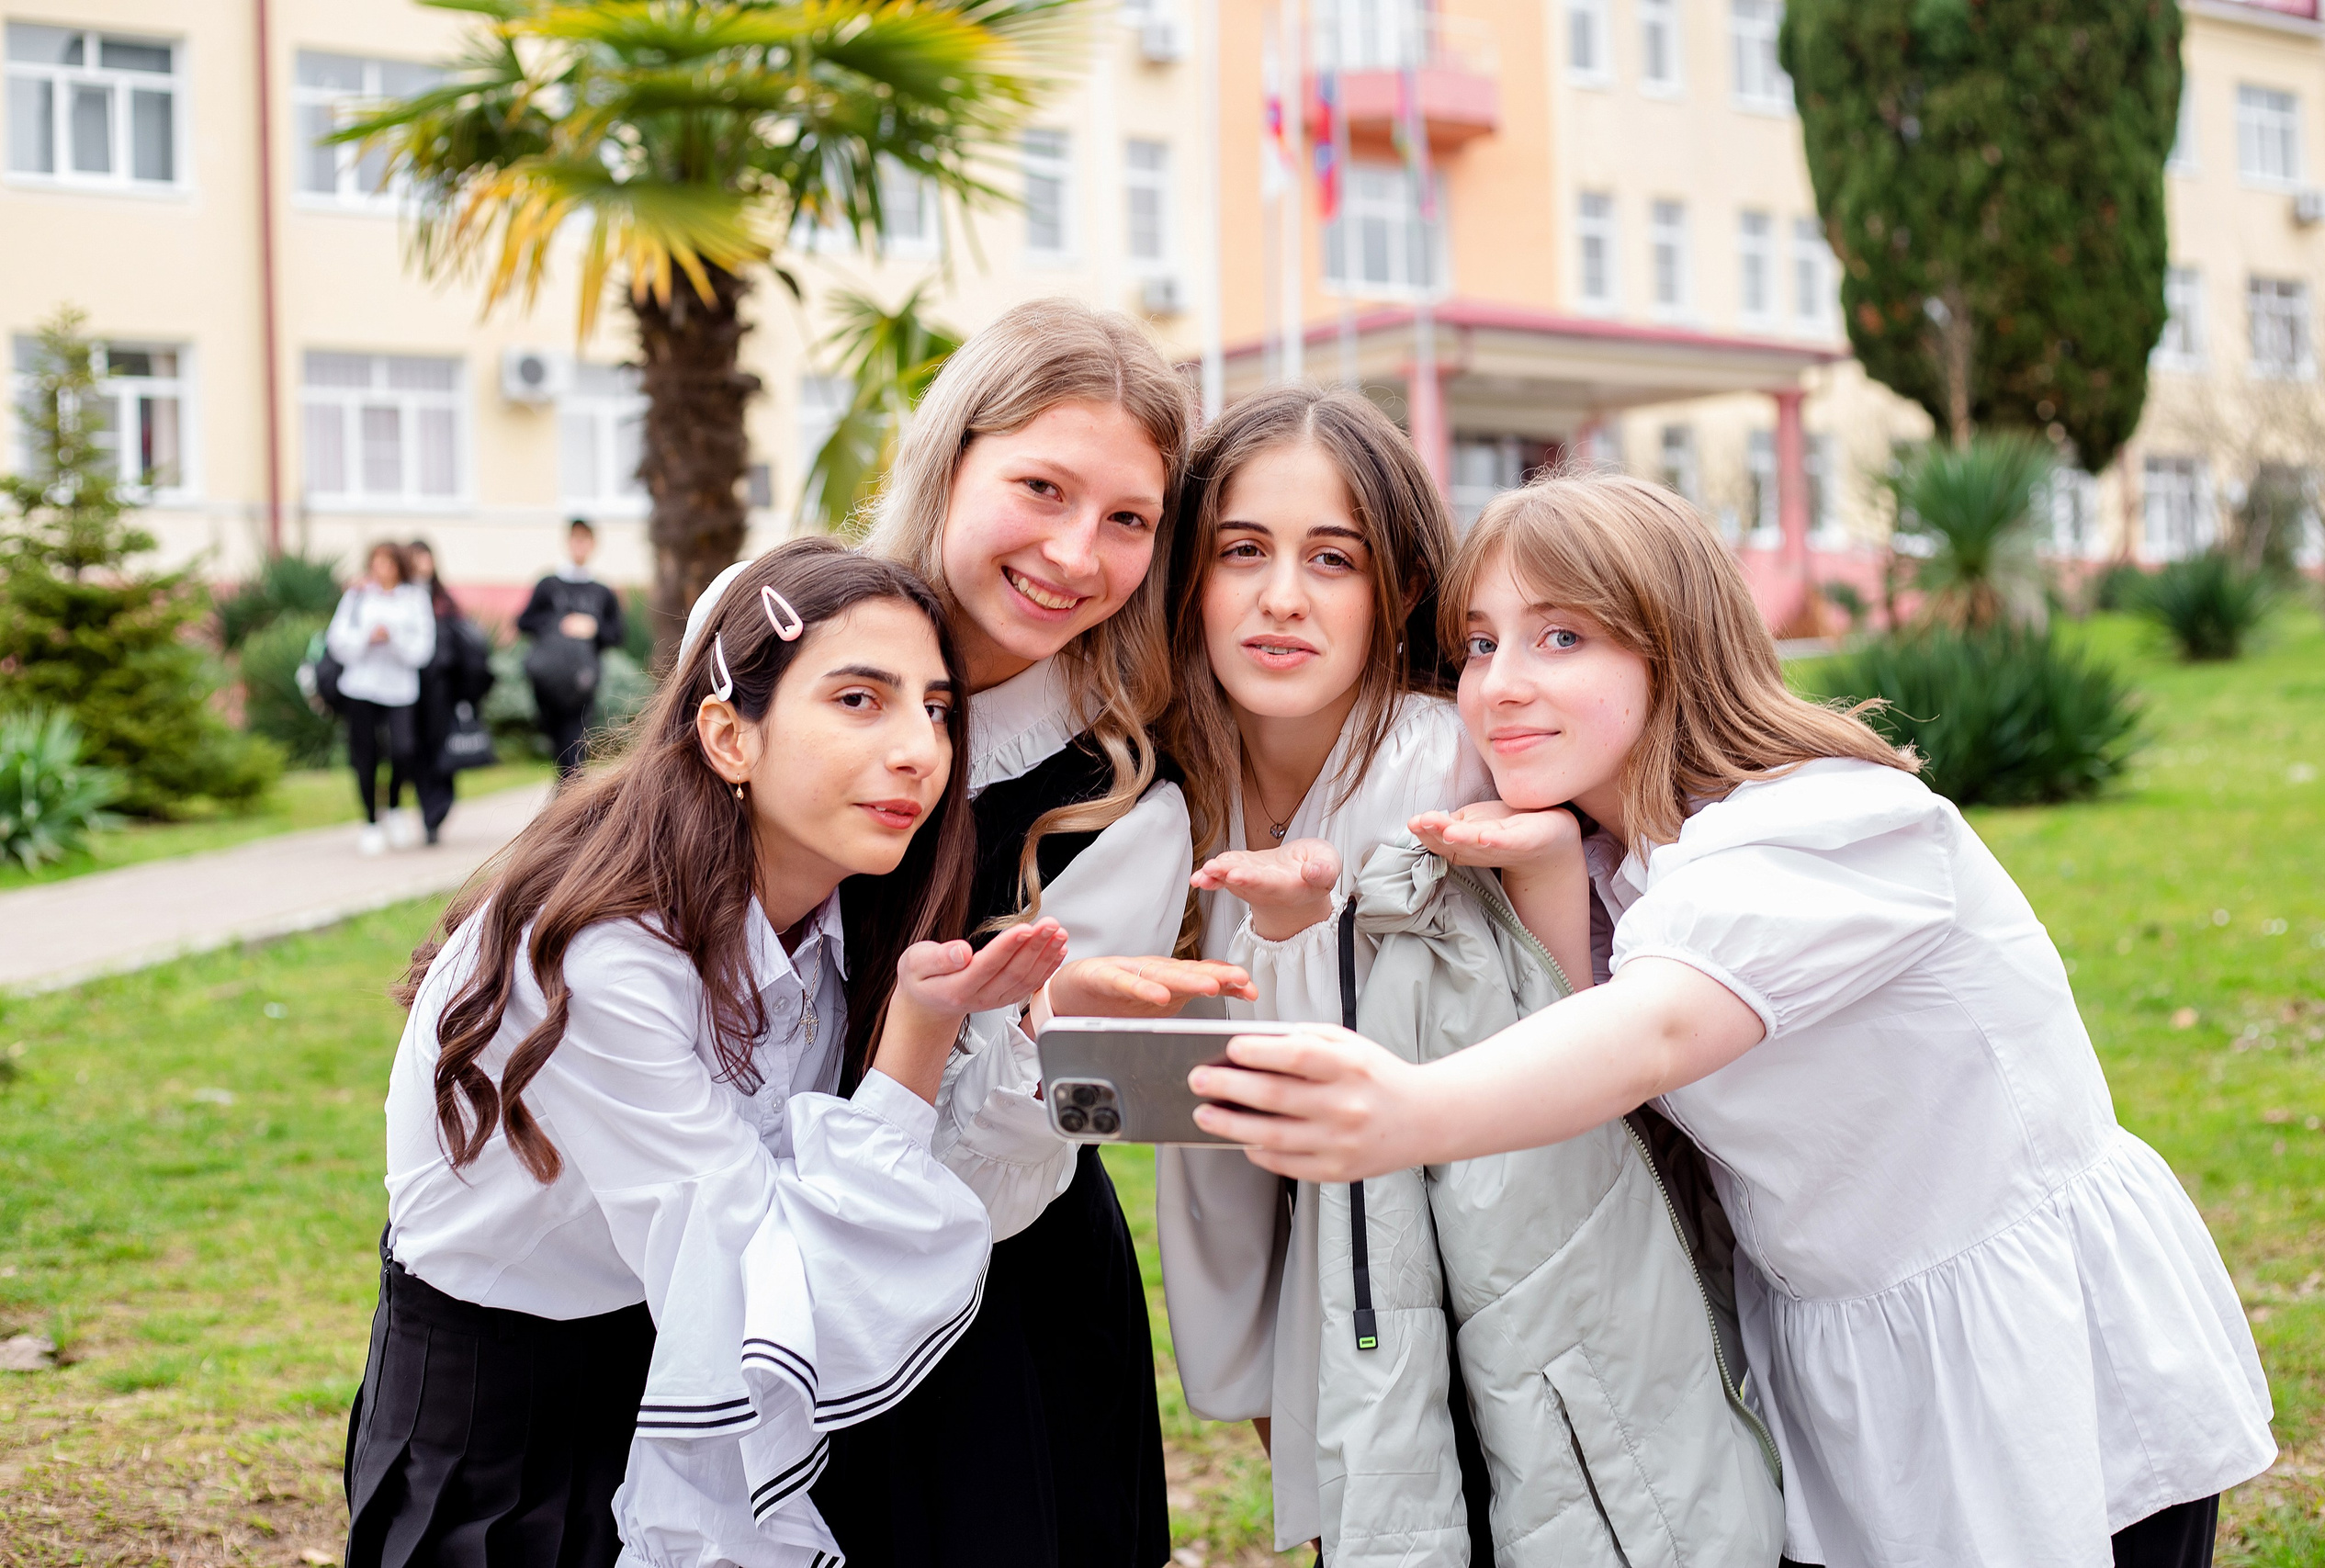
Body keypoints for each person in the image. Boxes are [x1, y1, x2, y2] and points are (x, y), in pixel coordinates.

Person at [1191, 474, 2277, 1568]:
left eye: (1562, 637)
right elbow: (1615, 1111)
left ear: (1675, 649)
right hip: (1837, 1361)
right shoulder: (1623, 861)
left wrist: (1409, 1112)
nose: (1501, 687)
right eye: (1480, 644)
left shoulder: (1828, 824)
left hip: (2026, 1357)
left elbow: (1657, 1033)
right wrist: (1559, 879)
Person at [347, 540, 1076, 1568]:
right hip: (502, 1434)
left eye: (937, 708)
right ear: (729, 736)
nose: (919, 747)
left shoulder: (835, 918)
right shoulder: (604, 956)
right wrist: (913, 1039)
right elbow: (766, 1283)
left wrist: (969, 1024)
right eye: (860, 701)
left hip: (671, 1365)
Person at [815, 298, 1256, 1568]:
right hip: (723, 1243)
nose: (1077, 551)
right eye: (1042, 487)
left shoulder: (1119, 793)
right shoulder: (778, 630)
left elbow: (1003, 1154)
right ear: (951, 459)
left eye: (1128, 519)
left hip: (984, 1301)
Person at [1148, 384, 1485, 1558]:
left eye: (1331, 560)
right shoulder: (1159, 784)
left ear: (1397, 593)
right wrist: (1248, 1371)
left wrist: (1300, 933)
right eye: (1242, 550)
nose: (1280, 598)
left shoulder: (1450, 770)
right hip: (1268, 1255)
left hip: (1460, 1283)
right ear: (1187, 574)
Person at [326, 540, 436, 856]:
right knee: (365, 754)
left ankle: (394, 805)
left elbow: (423, 649)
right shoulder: (358, 595)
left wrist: (394, 637)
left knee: (403, 749)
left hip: (399, 687)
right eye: (376, 562)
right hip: (361, 686)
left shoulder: (415, 598)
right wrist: (366, 637)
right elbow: (337, 641)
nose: (381, 569)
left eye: (388, 562)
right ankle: (371, 821)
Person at [517, 517, 626, 780]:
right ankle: (567, 797)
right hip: (549, 678)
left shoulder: (602, 591)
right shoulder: (548, 585)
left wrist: (593, 628)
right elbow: (524, 621)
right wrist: (560, 624)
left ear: (592, 544)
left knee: (575, 744)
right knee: (559, 745)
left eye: (584, 539)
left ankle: (570, 800)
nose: (580, 545)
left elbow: (618, 634)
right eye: (575, 539)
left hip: (583, 680)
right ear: (568, 542)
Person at [402, 539, 492, 847]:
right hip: (407, 688)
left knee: (441, 745)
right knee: (415, 749)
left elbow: (465, 647)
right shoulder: (400, 598)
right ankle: (426, 806)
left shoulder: (444, 602)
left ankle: (437, 809)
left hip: (440, 688)